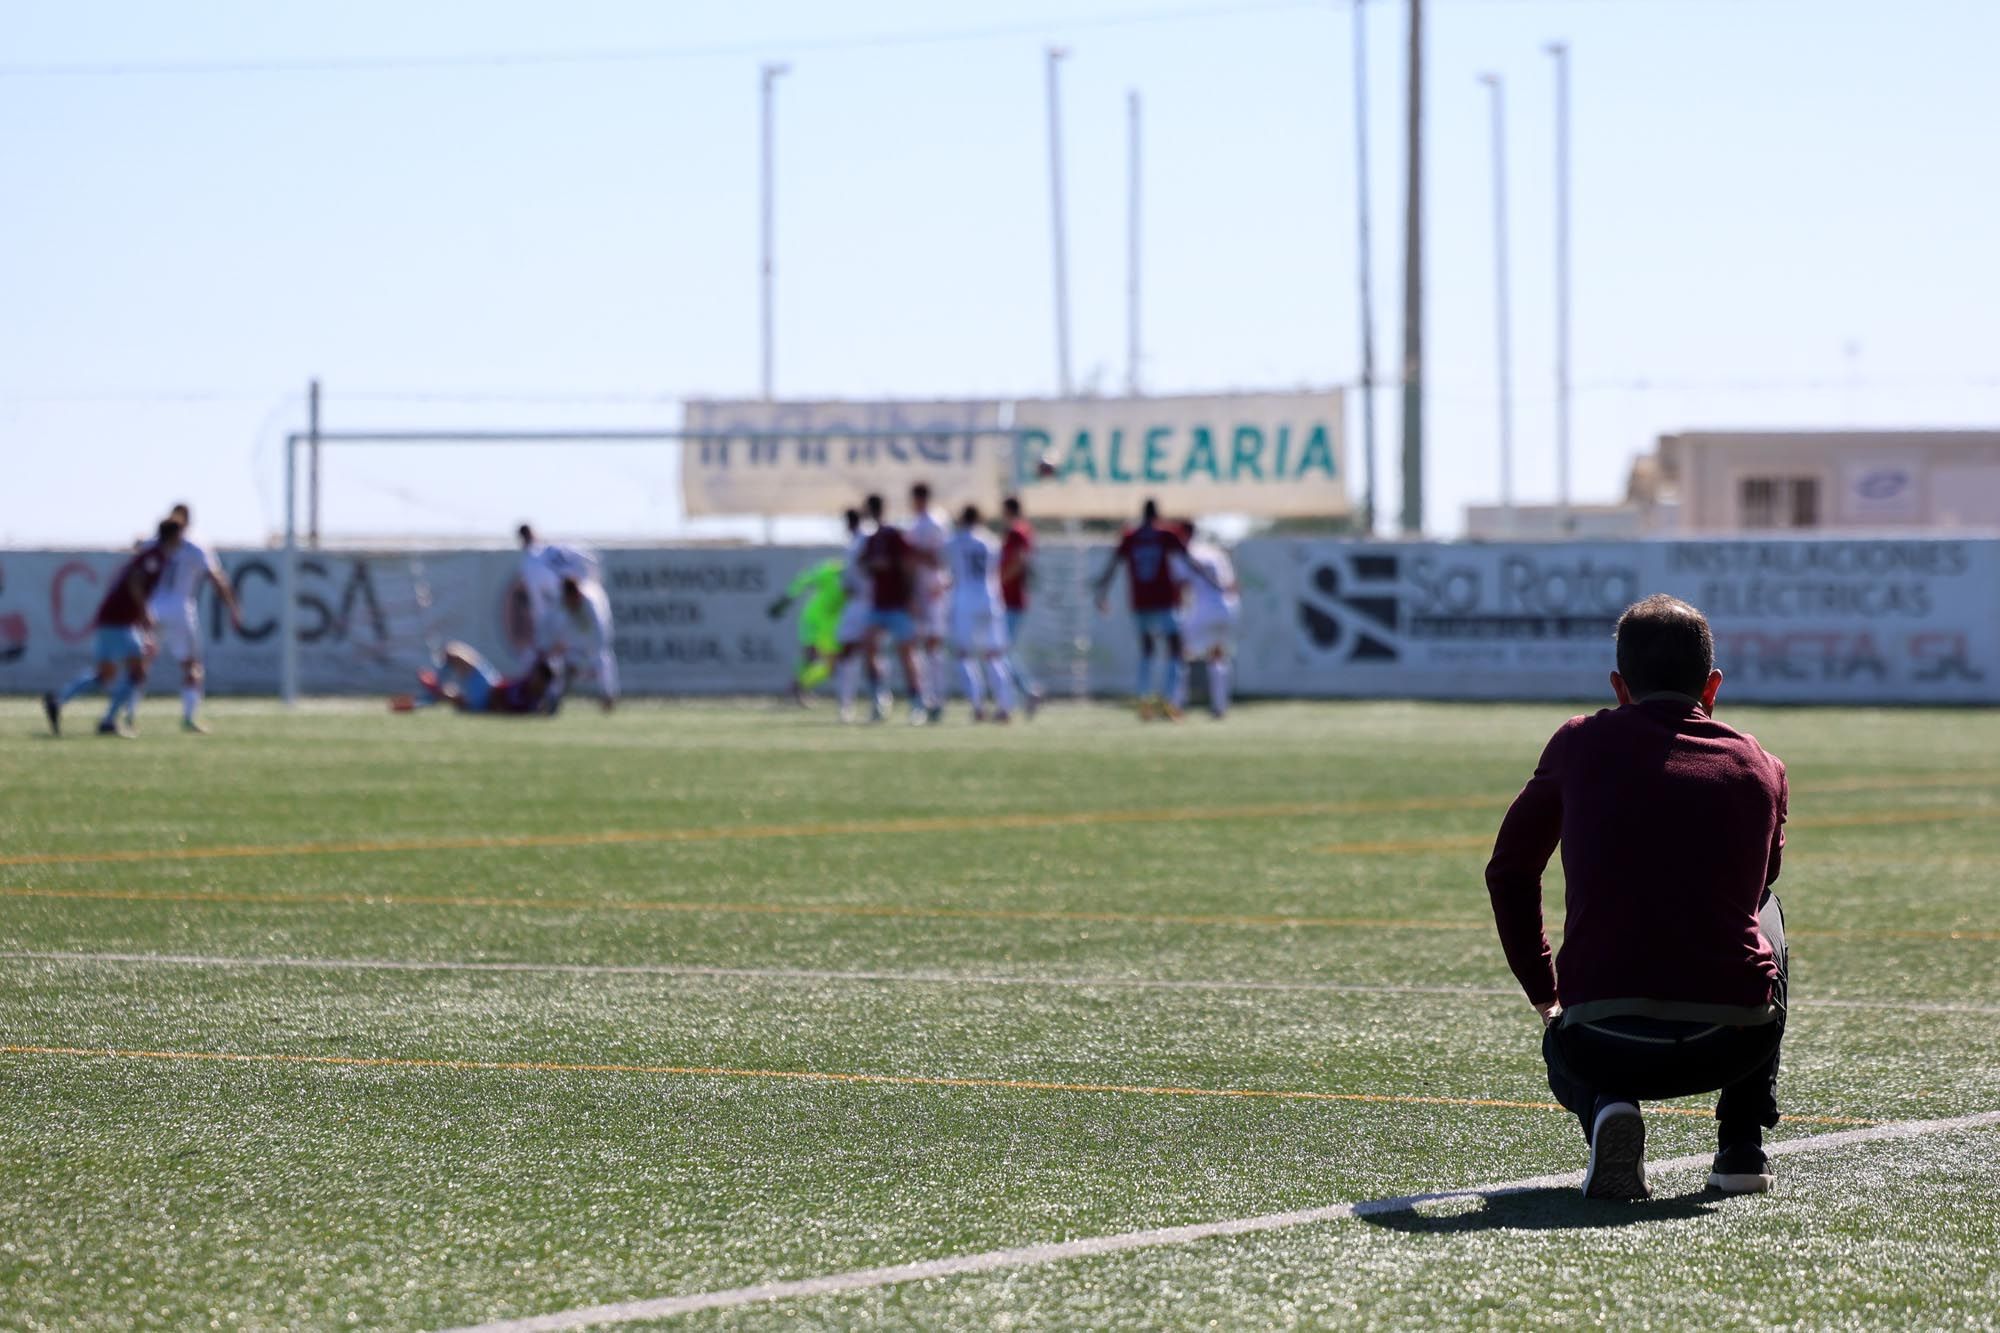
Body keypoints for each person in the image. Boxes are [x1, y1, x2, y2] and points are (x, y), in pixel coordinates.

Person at [1485, 594, 1789, 1200]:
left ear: (1620, 686)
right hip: (1729, 1043)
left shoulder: (1578, 743)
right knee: (1769, 912)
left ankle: (1606, 1104)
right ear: (1713, 686)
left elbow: (1510, 873)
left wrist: (1548, 999)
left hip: (1604, 1041)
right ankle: (1740, 1147)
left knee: (1577, 1044)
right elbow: (1759, 881)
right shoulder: (1761, 764)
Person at [43, 518, 184, 737]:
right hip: (118, 622)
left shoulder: (154, 556)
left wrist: (140, 617)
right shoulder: (155, 557)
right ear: (173, 536)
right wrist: (145, 612)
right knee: (137, 671)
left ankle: (59, 700)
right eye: (181, 534)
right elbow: (136, 582)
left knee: (105, 675)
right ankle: (108, 720)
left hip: (113, 620)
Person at [1091, 498, 1212, 721]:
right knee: (1174, 648)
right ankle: (1169, 701)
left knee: (1147, 650)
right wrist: (1210, 579)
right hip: (1164, 600)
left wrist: (1101, 592)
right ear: (1157, 514)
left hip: (1140, 602)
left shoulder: (1130, 536)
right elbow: (1188, 560)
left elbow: (1113, 565)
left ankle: (1144, 701)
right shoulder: (1166, 534)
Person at [142, 503, 244, 733]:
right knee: (192, 665)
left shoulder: (151, 544)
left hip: (152, 608)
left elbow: (134, 571)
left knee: (141, 662)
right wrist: (233, 608)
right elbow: (217, 579)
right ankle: (189, 718)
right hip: (180, 608)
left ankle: (125, 714)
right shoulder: (196, 547)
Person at [517, 526, 617, 710]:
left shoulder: (533, 561)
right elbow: (593, 561)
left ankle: (608, 696)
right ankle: (553, 698)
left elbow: (598, 641)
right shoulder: (557, 550)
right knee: (560, 658)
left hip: (584, 603)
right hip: (566, 598)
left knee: (599, 656)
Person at [858, 492, 935, 723]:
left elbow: (908, 564)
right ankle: (880, 697)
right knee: (869, 646)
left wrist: (910, 597)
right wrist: (873, 566)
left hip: (898, 604)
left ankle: (917, 703)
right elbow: (863, 564)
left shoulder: (893, 535)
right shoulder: (871, 539)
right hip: (879, 604)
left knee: (907, 654)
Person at [944, 504, 1018, 722]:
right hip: (989, 598)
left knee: (964, 655)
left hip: (965, 599)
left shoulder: (955, 541)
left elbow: (945, 563)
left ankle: (977, 706)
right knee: (994, 655)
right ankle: (1005, 706)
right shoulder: (990, 540)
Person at [769, 527, 851, 707]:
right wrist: (787, 598)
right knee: (810, 655)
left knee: (831, 666)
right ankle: (797, 690)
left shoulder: (859, 578)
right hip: (814, 618)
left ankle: (800, 687)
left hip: (832, 625)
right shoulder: (833, 570)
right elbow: (806, 579)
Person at [1170, 526, 1240, 719]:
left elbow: (1181, 584)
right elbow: (1231, 585)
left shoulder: (1185, 554)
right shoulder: (1215, 552)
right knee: (1217, 656)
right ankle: (1220, 706)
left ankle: (1177, 703)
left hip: (1203, 610)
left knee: (1180, 653)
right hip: (1227, 608)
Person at [393, 642, 564, 715]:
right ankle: (430, 695)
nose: (534, 677)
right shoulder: (532, 692)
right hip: (485, 697)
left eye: (539, 676)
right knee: (451, 696)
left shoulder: (531, 700)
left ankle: (433, 690)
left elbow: (501, 702)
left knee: (453, 651)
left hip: (487, 690)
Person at [831, 508, 888, 723]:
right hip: (856, 603)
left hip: (869, 603)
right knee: (847, 651)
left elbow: (871, 567)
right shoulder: (853, 542)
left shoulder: (867, 538)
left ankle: (879, 701)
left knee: (870, 653)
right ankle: (846, 705)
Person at [905, 482, 951, 716]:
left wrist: (916, 554)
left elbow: (939, 558)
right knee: (918, 645)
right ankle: (925, 698)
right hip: (919, 591)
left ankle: (937, 698)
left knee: (933, 645)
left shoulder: (935, 522)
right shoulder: (914, 524)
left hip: (934, 589)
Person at [997, 495, 1043, 717]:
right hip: (1010, 598)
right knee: (1004, 651)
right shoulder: (1016, 531)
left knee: (1001, 651)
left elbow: (1021, 560)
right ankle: (1024, 692)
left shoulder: (1017, 531)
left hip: (1012, 598)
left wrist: (1000, 582)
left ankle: (1022, 693)